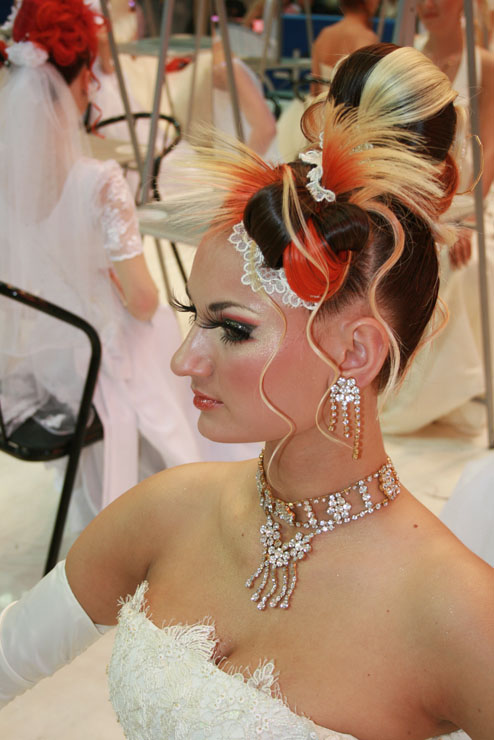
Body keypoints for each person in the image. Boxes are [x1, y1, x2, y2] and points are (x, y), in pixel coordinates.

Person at [1, 43, 494, 739]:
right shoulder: (164, 511)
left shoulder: (455, 612)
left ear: (354, 352)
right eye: (193, 315)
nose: (183, 360)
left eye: (231, 328)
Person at [0, 0, 257, 524]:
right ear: (83, 78)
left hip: (45, 358)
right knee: (159, 323)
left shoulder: (10, 174)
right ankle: (181, 488)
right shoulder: (98, 181)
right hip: (97, 357)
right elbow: (141, 299)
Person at [380, 0, 494, 434]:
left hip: (472, 197)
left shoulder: (483, 65)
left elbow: (489, 147)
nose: (426, 5)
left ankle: (462, 386)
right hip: (418, 199)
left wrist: (467, 218)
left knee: (468, 264)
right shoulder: (407, 61)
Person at [277, 0, 379, 161]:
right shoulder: (368, 38)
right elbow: (361, 94)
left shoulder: (325, 34)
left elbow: (314, 88)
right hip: (345, 123)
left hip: (315, 116)